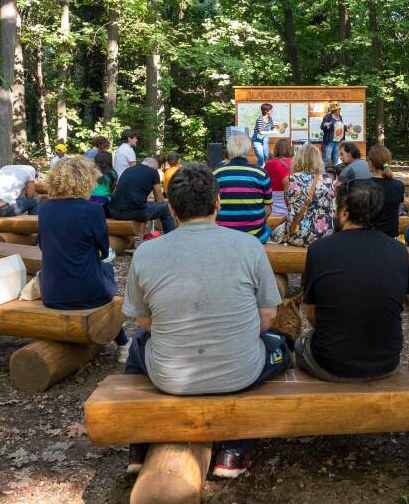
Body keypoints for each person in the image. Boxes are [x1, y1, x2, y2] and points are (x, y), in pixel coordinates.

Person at [122, 162, 288, 477]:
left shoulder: (146, 252)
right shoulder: (249, 246)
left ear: (171, 208)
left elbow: (142, 321)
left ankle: (139, 444)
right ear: (217, 203)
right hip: (240, 371)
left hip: (169, 375)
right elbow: (268, 314)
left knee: (138, 345)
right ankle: (235, 450)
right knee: (280, 347)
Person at [296, 179, 409, 381]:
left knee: (299, 343)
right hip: (386, 361)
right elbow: (395, 302)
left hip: (331, 363)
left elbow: (312, 314)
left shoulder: (320, 249)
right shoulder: (399, 251)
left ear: (344, 212)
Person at [38, 157, 128, 362]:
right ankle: (122, 343)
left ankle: (122, 342)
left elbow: (44, 246)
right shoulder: (93, 210)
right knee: (108, 271)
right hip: (89, 293)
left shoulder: (44, 208)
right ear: (86, 180)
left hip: (52, 293)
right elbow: (104, 252)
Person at [269, 144, 336, 246]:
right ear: (318, 160)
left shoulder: (289, 179)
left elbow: (290, 208)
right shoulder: (327, 179)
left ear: (298, 159)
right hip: (324, 234)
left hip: (297, 234)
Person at [215, 133, 272, 240]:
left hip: (223, 236)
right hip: (255, 237)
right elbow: (267, 209)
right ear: (249, 150)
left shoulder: (217, 174)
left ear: (229, 151)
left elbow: (212, 208)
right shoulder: (261, 174)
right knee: (268, 230)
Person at [109, 157, 176, 233]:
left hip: (114, 211)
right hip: (131, 213)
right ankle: (171, 237)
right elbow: (159, 200)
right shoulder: (153, 172)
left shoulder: (128, 170)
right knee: (165, 207)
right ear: (155, 166)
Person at [368, 144, 405, 238]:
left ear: (371, 162)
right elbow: (397, 209)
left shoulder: (363, 185)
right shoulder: (398, 185)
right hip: (391, 236)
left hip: (369, 236)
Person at [264, 140, 294, 216]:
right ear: (290, 149)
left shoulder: (271, 163)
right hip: (292, 203)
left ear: (276, 149)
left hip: (273, 206)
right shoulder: (297, 163)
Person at [320, 102, 344, 169]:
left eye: (339, 109)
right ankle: (322, 173)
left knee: (335, 159)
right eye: (338, 109)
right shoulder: (328, 117)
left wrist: (346, 128)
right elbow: (322, 126)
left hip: (337, 141)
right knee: (326, 158)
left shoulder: (340, 117)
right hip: (329, 142)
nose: (339, 110)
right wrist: (325, 125)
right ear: (334, 110)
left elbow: (339, 127)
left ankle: (335, 173)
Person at [251, 103, 276, 168]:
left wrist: (278, 129)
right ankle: (259, 173)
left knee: (267, 157)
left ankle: (267, 172)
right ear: (266, 111)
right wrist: (271, 131)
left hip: (265, 140)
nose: (272, 111)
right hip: (257, 141)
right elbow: (261, 132)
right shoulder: (259, 119)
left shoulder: (270, 119)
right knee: (261, 158)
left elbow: (272, 127)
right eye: (271, 110)